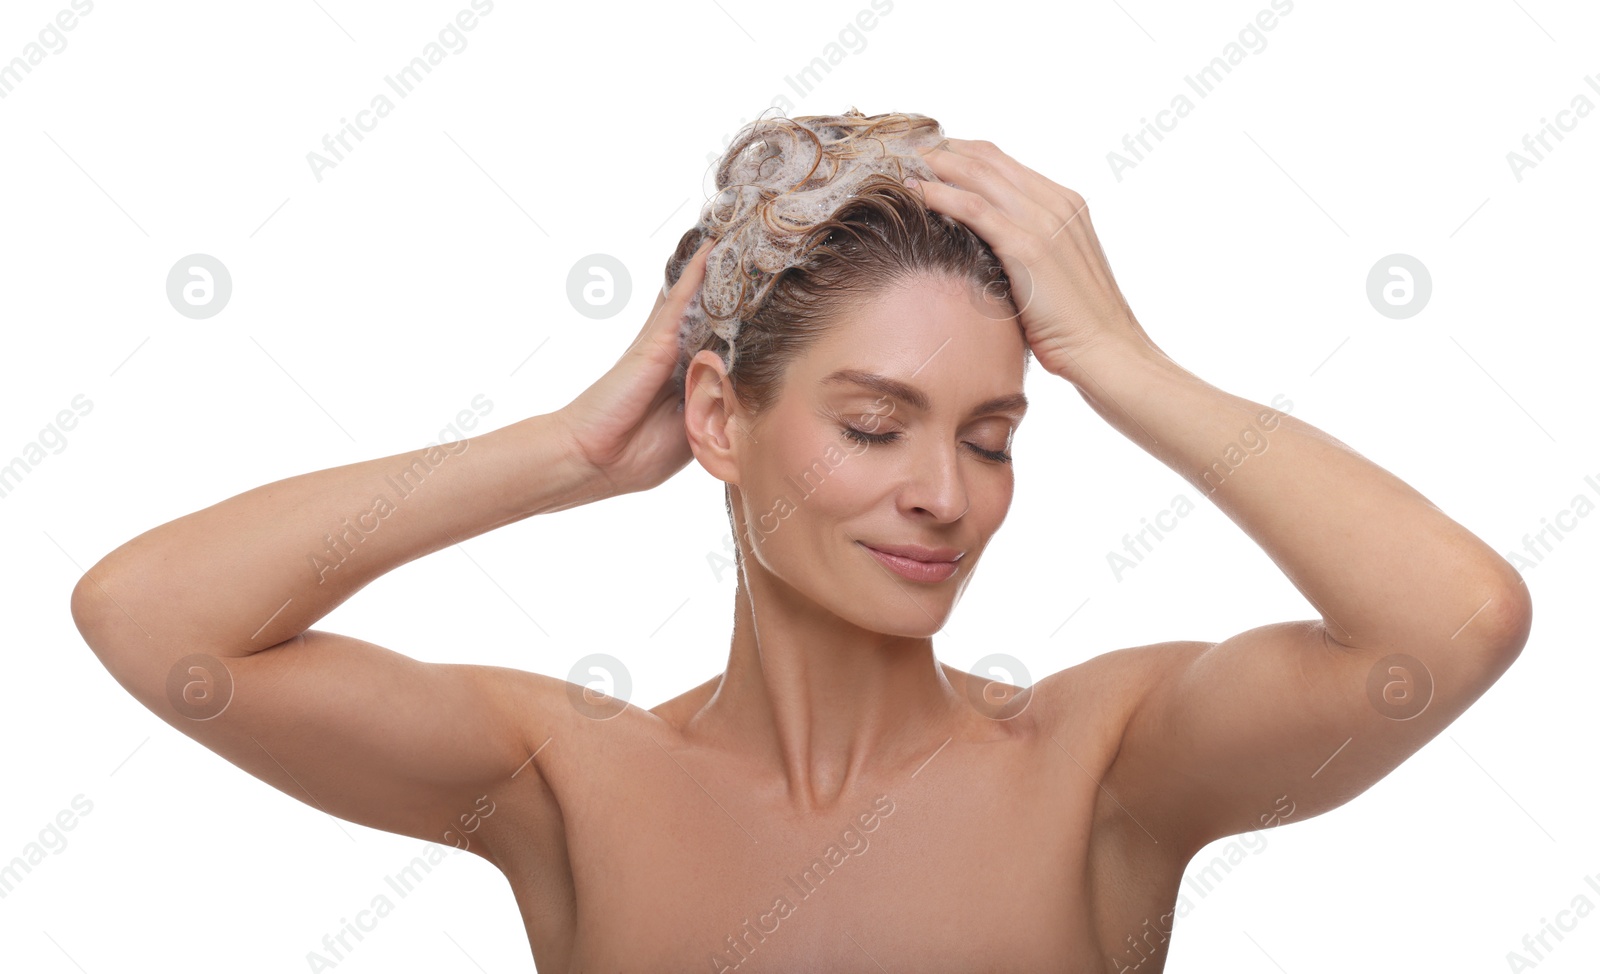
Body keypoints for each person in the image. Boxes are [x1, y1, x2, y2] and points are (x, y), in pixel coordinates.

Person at [70, 109, 1532, 972]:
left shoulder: (1106, 765)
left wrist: (1126, 362)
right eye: (878, 422)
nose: (945, 496)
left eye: (990, 434)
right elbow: (153, 620)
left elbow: (1451, 622)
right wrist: (573, 449)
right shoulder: (566, 777)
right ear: (717, 414)